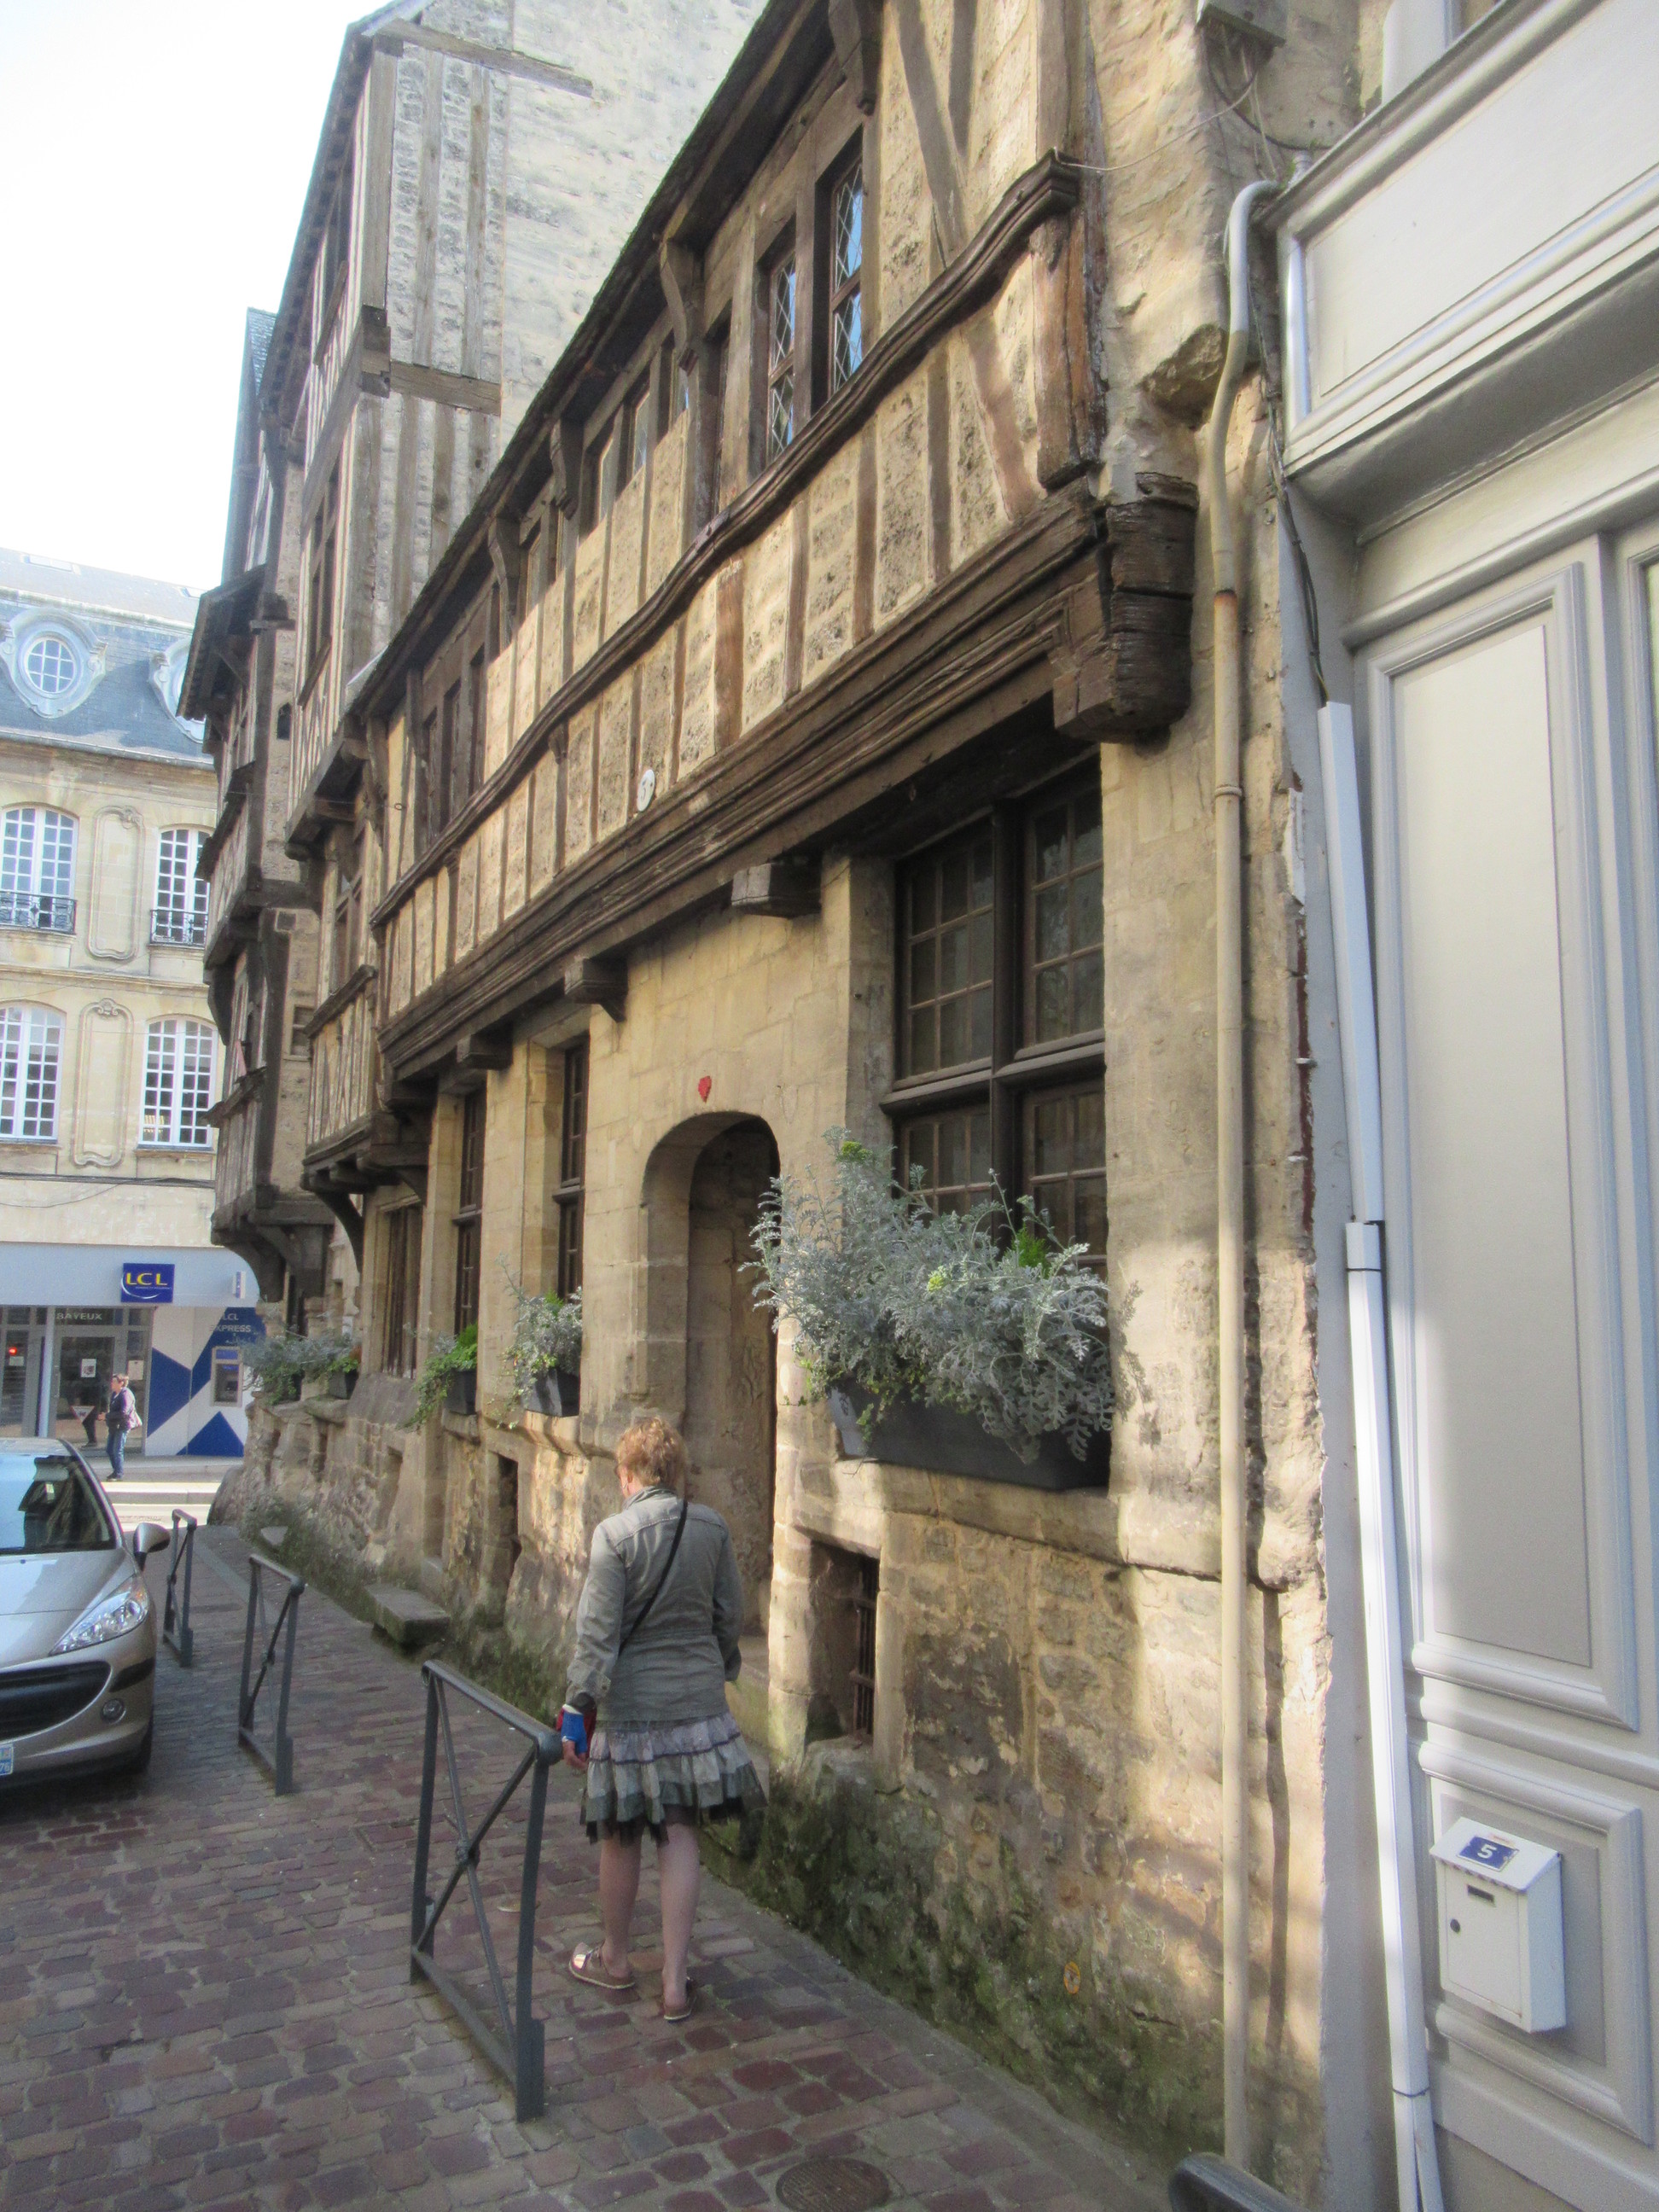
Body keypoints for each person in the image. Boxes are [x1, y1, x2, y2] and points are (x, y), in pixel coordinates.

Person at [562, 1415, 764, 2021]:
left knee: (622, 1832)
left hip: (632, 1706)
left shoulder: (614, 1536)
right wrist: (716, 1665)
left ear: (628, 1474)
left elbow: (597, 1634)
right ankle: (675, 1982)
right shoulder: (712, 1527)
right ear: (674, 1473)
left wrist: (577, 1708)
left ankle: (616, 1959)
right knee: (679, 1827)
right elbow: (729, 1614)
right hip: (697, 1703)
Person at [105, 1372, 136, 1480]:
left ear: (121, 1383)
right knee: (109, 1449)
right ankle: (116, 1470)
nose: (112, 1384)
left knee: (117, 1450)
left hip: (122, 1426)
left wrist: (107, 1416)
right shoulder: (114, 1394)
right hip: (114, 1426)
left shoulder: (126, 1394)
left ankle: (119, 1473)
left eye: (114, 1382)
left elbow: (124, 1413)